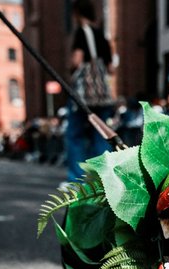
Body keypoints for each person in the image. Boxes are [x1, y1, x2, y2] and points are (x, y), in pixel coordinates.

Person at [63, 0, 115, 187]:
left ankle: (76, 179)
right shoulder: (103, 35)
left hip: (84, 95)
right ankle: (101, 178)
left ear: (77, 13)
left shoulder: (81, 32)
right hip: (102, 96)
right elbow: (111, 69)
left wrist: (70, 68)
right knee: (101, 135)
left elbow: (76, 61)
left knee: (74, 135)